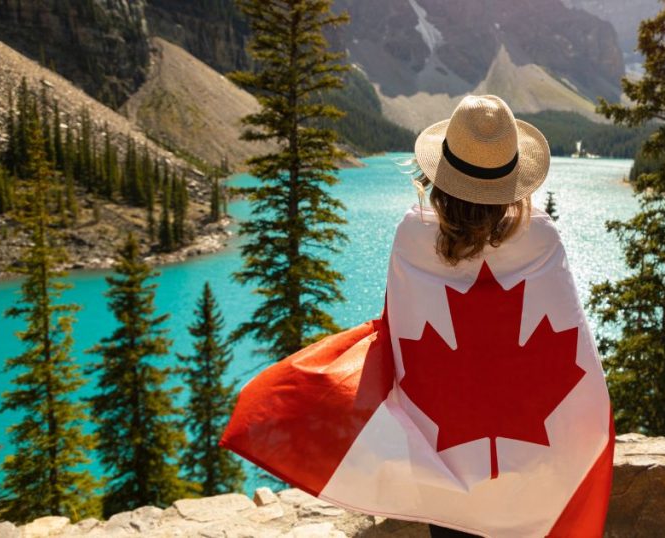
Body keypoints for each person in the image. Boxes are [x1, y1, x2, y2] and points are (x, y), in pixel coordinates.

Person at [222, 95, 613, 537]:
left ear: (439, 177)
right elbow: (574, 348)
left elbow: (399, 331)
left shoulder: (413, 236)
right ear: (513, 181)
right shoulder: (541, 238)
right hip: (534, 475)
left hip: (444, 466)